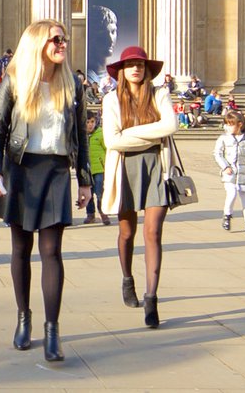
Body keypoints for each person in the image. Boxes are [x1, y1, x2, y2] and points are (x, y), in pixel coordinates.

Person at [0, 19, 91, 363]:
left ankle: (52, 331)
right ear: (37, 45)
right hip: (21, 168)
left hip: (57, 170)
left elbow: (81, 138)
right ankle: (23, 318)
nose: (63, 45)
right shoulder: (15, 81)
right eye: (56, 40)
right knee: (20, 249)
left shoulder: (72, 84)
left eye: (64, 39)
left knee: (52, 251)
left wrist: (85, 180)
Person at [99, 45, 172, 327]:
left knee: (152, 233)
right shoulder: (111, 100)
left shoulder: (159, 94)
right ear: (121, 70)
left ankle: (151, 299)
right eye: (130, 64)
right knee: (127, 233)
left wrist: (130, 133)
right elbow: (113, 142)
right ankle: (127, 279)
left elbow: (171, 127)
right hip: (125, 169)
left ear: (147, 69)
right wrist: (150, 135)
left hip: (156, 167)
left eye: (140, 64)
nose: (136, 68)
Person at [83, 110, 108, 225]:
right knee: (88, 193)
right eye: (87, 122)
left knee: (100, 192)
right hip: (86, 170)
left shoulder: (100, 133)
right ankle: (90, 214)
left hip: (99, 169)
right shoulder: (81, 136)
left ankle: (103, 212)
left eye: (92, 121)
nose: (90, 124)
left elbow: (107, 149)